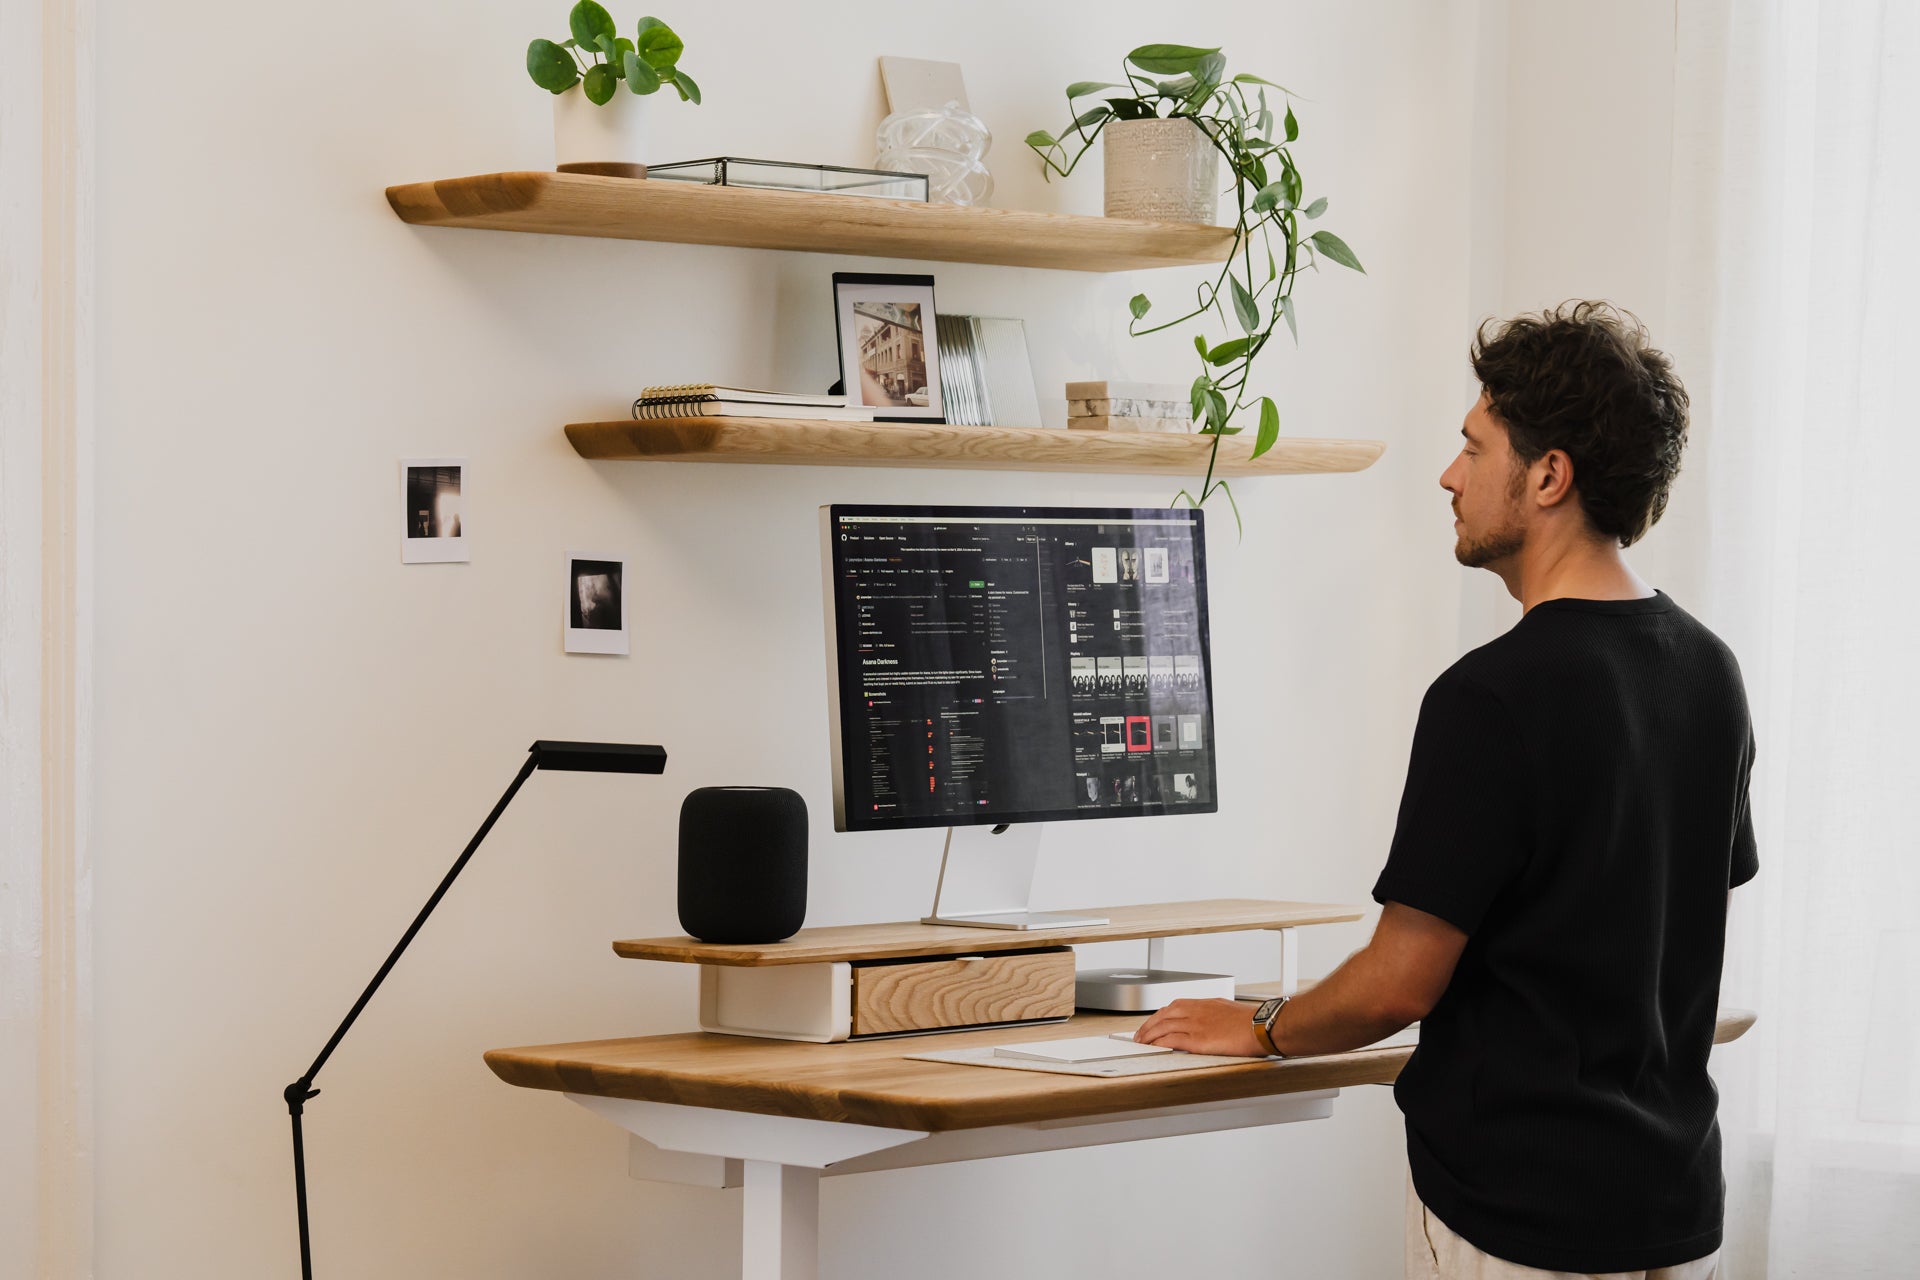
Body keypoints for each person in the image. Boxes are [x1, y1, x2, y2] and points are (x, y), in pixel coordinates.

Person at [1136, 302, 1756, 1280]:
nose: (1448, 473)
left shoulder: (1491, 696)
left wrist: (1260, 1027)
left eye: (1474, 445)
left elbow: (1400, 978)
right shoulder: (1708, 670)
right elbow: (1658, 932)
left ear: (1549, 475)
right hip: (1673, 1207)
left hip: (1523, 1214)